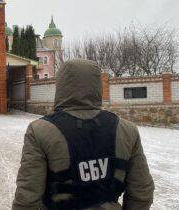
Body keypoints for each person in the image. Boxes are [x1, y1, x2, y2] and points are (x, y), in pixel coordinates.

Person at [12, 59, 154, 210]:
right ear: (97, 85)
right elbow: (142, 191)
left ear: (61, 86)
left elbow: (27, 198)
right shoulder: (127, 129)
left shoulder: (40, 131)